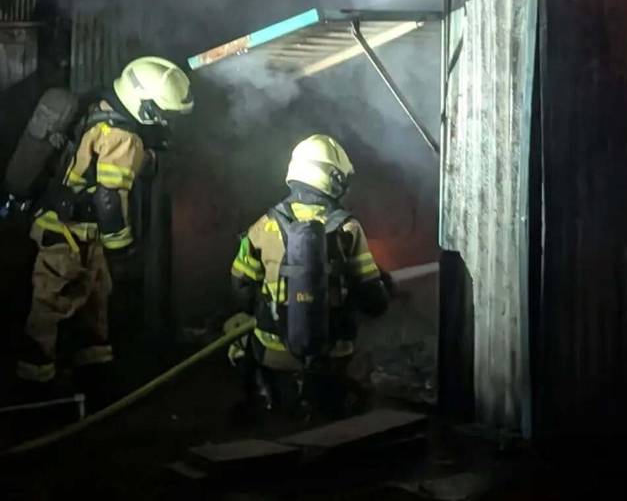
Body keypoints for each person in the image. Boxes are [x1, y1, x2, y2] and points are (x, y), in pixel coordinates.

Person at [16, 56, 193, 393]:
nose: (165, 121)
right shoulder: (123, 137)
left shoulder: (100, 108)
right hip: (66, 233)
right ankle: (34, 382)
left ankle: (93, 374)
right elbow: (109, 198)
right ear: (146, 106)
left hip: (75, 229)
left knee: (95, 300)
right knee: (50, 305)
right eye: (163, 113)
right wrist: (122, 246)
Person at [229, 134, 390, 418]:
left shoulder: (263, 226)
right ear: (333, 178)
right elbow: (373, 301)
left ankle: (260, 399)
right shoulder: (349, 229)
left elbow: (240, 287)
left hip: (273, 354)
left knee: (238, 339)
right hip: (333, 354)